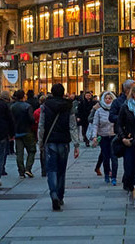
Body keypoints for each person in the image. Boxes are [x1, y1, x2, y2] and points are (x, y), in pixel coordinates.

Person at [38, 83, 81, 211]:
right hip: (64, 141)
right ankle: (60, 196)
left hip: (50, 140)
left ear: (51, 92)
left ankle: (53, 194)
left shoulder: (45, 106)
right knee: (61, 171)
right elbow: (72, 125)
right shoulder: (68, 106)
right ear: (63, 93)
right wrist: (76, 144)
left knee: (51, 169)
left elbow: (41, 125)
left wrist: (40, 142)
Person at [109, 78, 135, 194]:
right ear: (127, 89)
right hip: (123, 135)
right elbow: (111, 117)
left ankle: (130, 180)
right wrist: (122, 118)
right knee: (128, 160)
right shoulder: (118, 102)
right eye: (133, 87)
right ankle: (128, 181)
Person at [88, 90, 119, 185]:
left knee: (114, 157)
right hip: (103, 136)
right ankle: (106, 174)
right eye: (106, 98)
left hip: (114, 136)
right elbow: (95, 124)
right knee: (106, 157)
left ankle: (114, 176)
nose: (108, 100)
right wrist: (94, 136)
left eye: (110, 98)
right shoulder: (99, 111)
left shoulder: (116, 110)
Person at [9, 89, 36, 178]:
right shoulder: (27, 106)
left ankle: (21, 171)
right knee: (31, 151)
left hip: (17, 132)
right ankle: (28, 168)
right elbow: (31, 119)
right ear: (24, 96)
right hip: (27, 131)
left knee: (19, 153)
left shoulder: (12, 107)